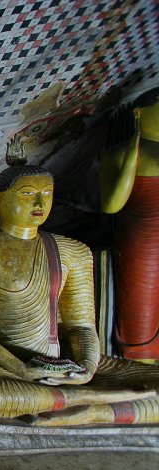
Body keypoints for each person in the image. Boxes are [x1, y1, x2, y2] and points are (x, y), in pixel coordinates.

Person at [0, 137, 159, 426]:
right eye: (27, 194)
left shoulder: (73, 252)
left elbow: (81, 325)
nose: (39, 203)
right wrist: (20, 368)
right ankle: (92, 402)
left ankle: (90, 409)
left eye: (47, 193)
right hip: (4, 365)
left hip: (62, 361)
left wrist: (88, 367)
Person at [100, 87, 159, 361]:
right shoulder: (117, 155)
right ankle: (142, 367)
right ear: (140, 113)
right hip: (143, 243)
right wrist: (131, 159)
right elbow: (111, 205)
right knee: (141, 306)